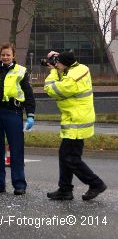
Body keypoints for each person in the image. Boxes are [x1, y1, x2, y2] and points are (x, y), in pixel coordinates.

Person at [44, 51, 107, 201]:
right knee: (65, 155)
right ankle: (65, 189)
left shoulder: (72, 78)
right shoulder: (79, 68)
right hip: (75, 119)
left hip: (76, 121)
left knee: (71, 158)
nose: (55, 64)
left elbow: (51, 89)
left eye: (57, 62)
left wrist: (53, 72)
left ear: (65, 64)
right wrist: (58, 63)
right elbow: (64, 74)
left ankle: (96, 183)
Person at [0, 43, 35, 195]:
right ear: (0, 55)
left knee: (16, 149)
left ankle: (19, 184)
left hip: (13, 113)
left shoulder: (21, 71)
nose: (5, 57)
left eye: (8, 55)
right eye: (3, 54)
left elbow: (28, 94)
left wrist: (30, 115)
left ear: (13, 56)